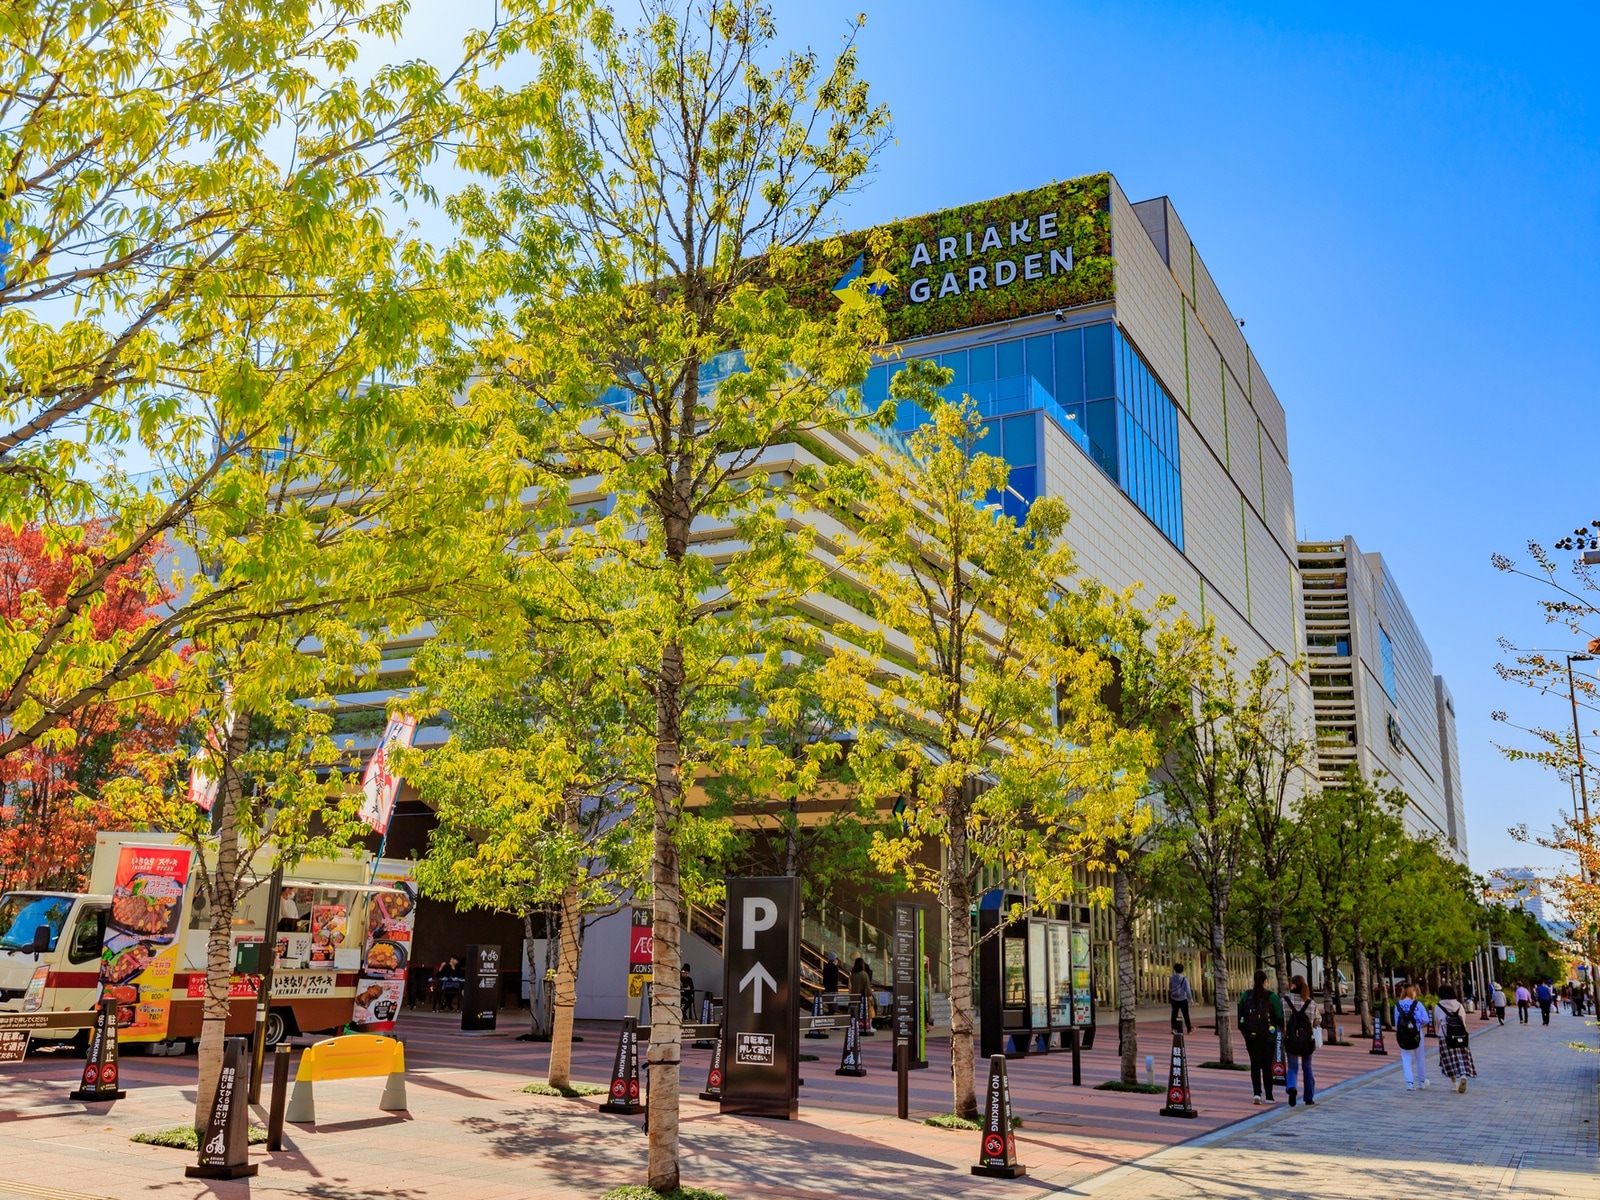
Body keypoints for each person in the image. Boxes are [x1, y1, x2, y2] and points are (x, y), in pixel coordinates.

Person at [1236, 969, 1282, 1105]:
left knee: (1255, 1065)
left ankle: (1256, 1094)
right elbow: (1280, 1017)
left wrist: (1246, 1033)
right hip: (1269, 1037)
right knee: (1267, 1066)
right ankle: (1269, 1096)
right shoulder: (1272, 997)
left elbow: (1240, 1017)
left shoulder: (1246, 995)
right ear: (1265, 981)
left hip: (1251, 1036)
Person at [1283, 974, 1319, 1108]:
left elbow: (1280, 1018)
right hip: (1307, 1041)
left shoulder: (1284, 1001)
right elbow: (1318, 1021)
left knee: (1292, 1067)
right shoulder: (1311, 1003)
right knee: (1307, 1067)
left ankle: (1292, 1087)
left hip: (1291, 1040)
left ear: (1292, 985)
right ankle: (1309, 1097)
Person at [1434, 984, 1477, 1092]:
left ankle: (1455, 1084)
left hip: (1445, 1036)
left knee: (1449, 1060)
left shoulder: (1438, 1006)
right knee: (1462, 1057)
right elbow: (1463, 1020)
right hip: (1460, 1035)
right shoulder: (1459, 1005)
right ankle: (1463, 1075)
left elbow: (1437, 1022)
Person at [1393, 983, 1430, 1091]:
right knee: (1420, 1057)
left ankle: (1409, 1083)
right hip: (1416, 1033)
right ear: (1411, 991)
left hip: (1403, 1034)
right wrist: (1418, 1023)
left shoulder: (1398, 1005)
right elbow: (1426, 1019)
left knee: (1406, 1057)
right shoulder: (1418, 1004)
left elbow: (1396, 1022)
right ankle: (1422, 1081)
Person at [1168, 962, 1193, 1033]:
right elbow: (1187, 989)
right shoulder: (1184, 979)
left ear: (1175, 970)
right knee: (1186, 1014)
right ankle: (1189, 1029)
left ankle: (1173, 1028)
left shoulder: (1171, 978)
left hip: (1174, 998)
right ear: (1182, 970)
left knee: (1174, 1014)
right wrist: (1190, 998)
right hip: (1183, 999)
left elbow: (1170, 988)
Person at [850, 956, 874, 1023]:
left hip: (854, 997)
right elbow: (867, 986)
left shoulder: (852, 975)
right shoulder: (864, 974)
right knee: (865, 1012)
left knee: (856, 1013)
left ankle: (856, 1024)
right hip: (863, 997)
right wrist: (870, 995)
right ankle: (866, 1024)